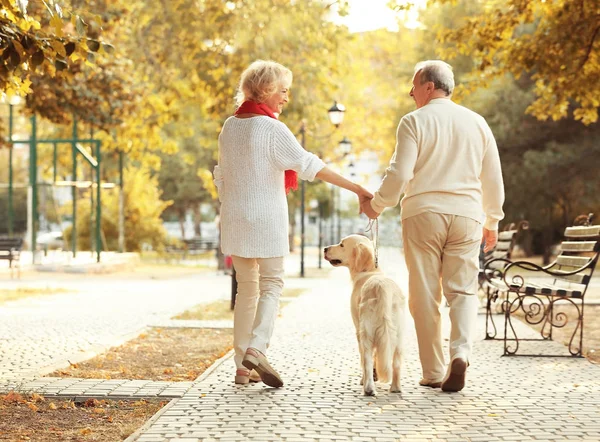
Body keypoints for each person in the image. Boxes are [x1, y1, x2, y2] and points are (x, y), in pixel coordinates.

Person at [214, 60, 372, 387]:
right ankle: (257, 349)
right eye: (283, 91)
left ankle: (242, 366)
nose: (286, 98)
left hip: (235, 217)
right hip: (266, 218)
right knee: (271, 284)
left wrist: (232, 205)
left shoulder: (230, 126)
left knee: (247, 288)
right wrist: (356, 187)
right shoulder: (272, 129)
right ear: (268, 90)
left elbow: (221, 176)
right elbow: (310, 165)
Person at [360, 60, 505, 392]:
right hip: (467, 214)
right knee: (463, 289)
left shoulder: (413, 121)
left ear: (428, 86)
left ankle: (434, 370)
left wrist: (377, 205)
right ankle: (461, 353)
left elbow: (399, 175)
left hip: (423, 212)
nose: (411, 93)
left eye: (413, 87)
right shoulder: (477, 122)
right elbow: (492, 177)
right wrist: (493, 219)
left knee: (424, 293)